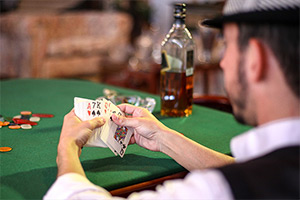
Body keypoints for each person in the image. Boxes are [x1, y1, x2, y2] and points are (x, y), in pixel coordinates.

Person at [44, 0, 300, 199]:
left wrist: (66, 149)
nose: (222, 61)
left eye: (227, 45)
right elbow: (246, 167)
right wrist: (162, 137)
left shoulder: (227, 190)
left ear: (255, 60)